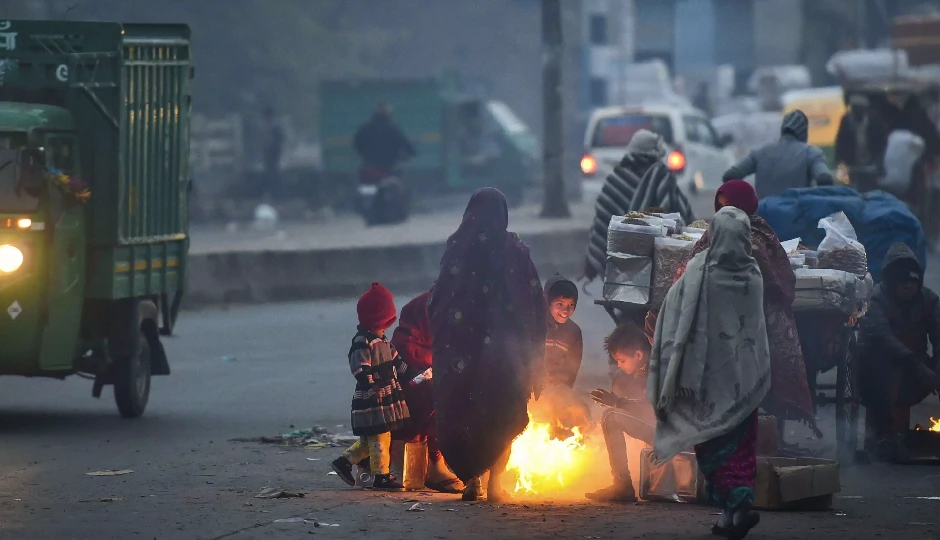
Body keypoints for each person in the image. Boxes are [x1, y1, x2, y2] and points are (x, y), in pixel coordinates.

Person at [652, 180, 819, 441]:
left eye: (729, 206)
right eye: (720, 207)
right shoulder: (712, 236)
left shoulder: (760, 240)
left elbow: (778, 282)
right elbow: (684, 282)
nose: (724, 213)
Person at [648, 206, 771, 540]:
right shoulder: (753, 274)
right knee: (742, 448)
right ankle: (729, 519)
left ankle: (736, 506)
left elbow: (673, 311)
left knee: (712, 446)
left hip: (703, 382)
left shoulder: (698, 271)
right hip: (744, 379)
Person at [428, 188, 546, 502]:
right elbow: (532, 302)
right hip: (503, 356)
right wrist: (533, 355)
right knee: (500, 413)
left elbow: (438, 302)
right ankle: (494, 485)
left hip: (461, 355)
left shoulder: (457, 249)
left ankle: (472, 483)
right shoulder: (515, 250)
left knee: (467, 412)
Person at [859, 243, 940, 461]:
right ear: (891, 282)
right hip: (876, 376)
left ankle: (900, 436)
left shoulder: (930, 301)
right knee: (885, 361)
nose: (908, 286)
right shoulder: (875, 300)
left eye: (912, 281)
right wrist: (917, 364)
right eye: (902, 282)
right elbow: (883, 339)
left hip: (915, 373)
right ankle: (883, 435)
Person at [584, 129, 695, 282]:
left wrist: (592, 261)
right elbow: (680, 217)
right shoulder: (661, 178)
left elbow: (601, 225)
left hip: (621, 269)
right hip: (659, 269)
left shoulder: (615, 179)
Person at [331, 283, 410, 491]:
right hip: (373, 398)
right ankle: (380, 476)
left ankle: (344, 461)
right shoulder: (363, 341)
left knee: (374, 438)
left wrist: (411, 374)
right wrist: (372, 386)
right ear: (380, 317)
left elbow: (397, 361)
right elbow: (359, 367)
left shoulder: (383, 340)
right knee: (380, 438)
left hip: (386, 396)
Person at [390, 292, 465, 493]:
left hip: (414, 404)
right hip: (402, 408)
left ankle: (437, 463)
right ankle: (432, 465)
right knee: (437, 397)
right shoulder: (406, 343)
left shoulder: (436, 342)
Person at [585, 323, 655, 503]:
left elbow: (651, 408)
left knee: (611, 417)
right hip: (665, 430)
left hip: (674, 434)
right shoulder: (639, 371)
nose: (619, 365)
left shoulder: (656, 369)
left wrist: (618, 402)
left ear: (638, 355)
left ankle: (622, 486)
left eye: (622, 360)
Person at [722, 110, 834, 199]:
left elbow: (730, 175)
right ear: (804, 132)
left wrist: (748, 201)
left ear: (783, 129)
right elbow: (825, 179)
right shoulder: (811, 152)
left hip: (765, 217)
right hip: (798, 217)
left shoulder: (760, 153)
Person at [532, 274, 589, 435]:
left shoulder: (573, 332)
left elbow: (572, 370)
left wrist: (563, 396)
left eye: (571, 304)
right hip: (529, 387)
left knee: (578, 411)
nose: (566, 310)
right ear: (546, 303)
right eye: (560, 304)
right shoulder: (535, 324)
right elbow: (523, 358)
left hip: (556, 387)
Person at [353, 103, 416, 184]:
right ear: (389, 115)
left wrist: (365, 154)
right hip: (389, 166)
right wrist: (411, 152)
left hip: (369, 165)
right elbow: (407, 145)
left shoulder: (365, 129)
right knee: (400, 186)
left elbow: (357, 144)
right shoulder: (393, 129)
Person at [835, 95, 889, 176]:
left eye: (858, 108)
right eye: (854, 108)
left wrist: (879, 162)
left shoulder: (875, 121)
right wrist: (839, 162)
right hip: (853, 165)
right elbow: (840, 143)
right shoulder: (846, 121)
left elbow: (882, 143)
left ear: (865, 109)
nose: (856, 111)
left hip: (873, 164)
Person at [261, 106, 284, 199]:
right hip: (270, 153)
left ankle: (275, 194)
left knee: (273, 173)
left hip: (273, 153)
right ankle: (273, 193)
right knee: (270, 172)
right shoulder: (269, 126)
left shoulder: (275, 127)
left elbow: (278, 140)